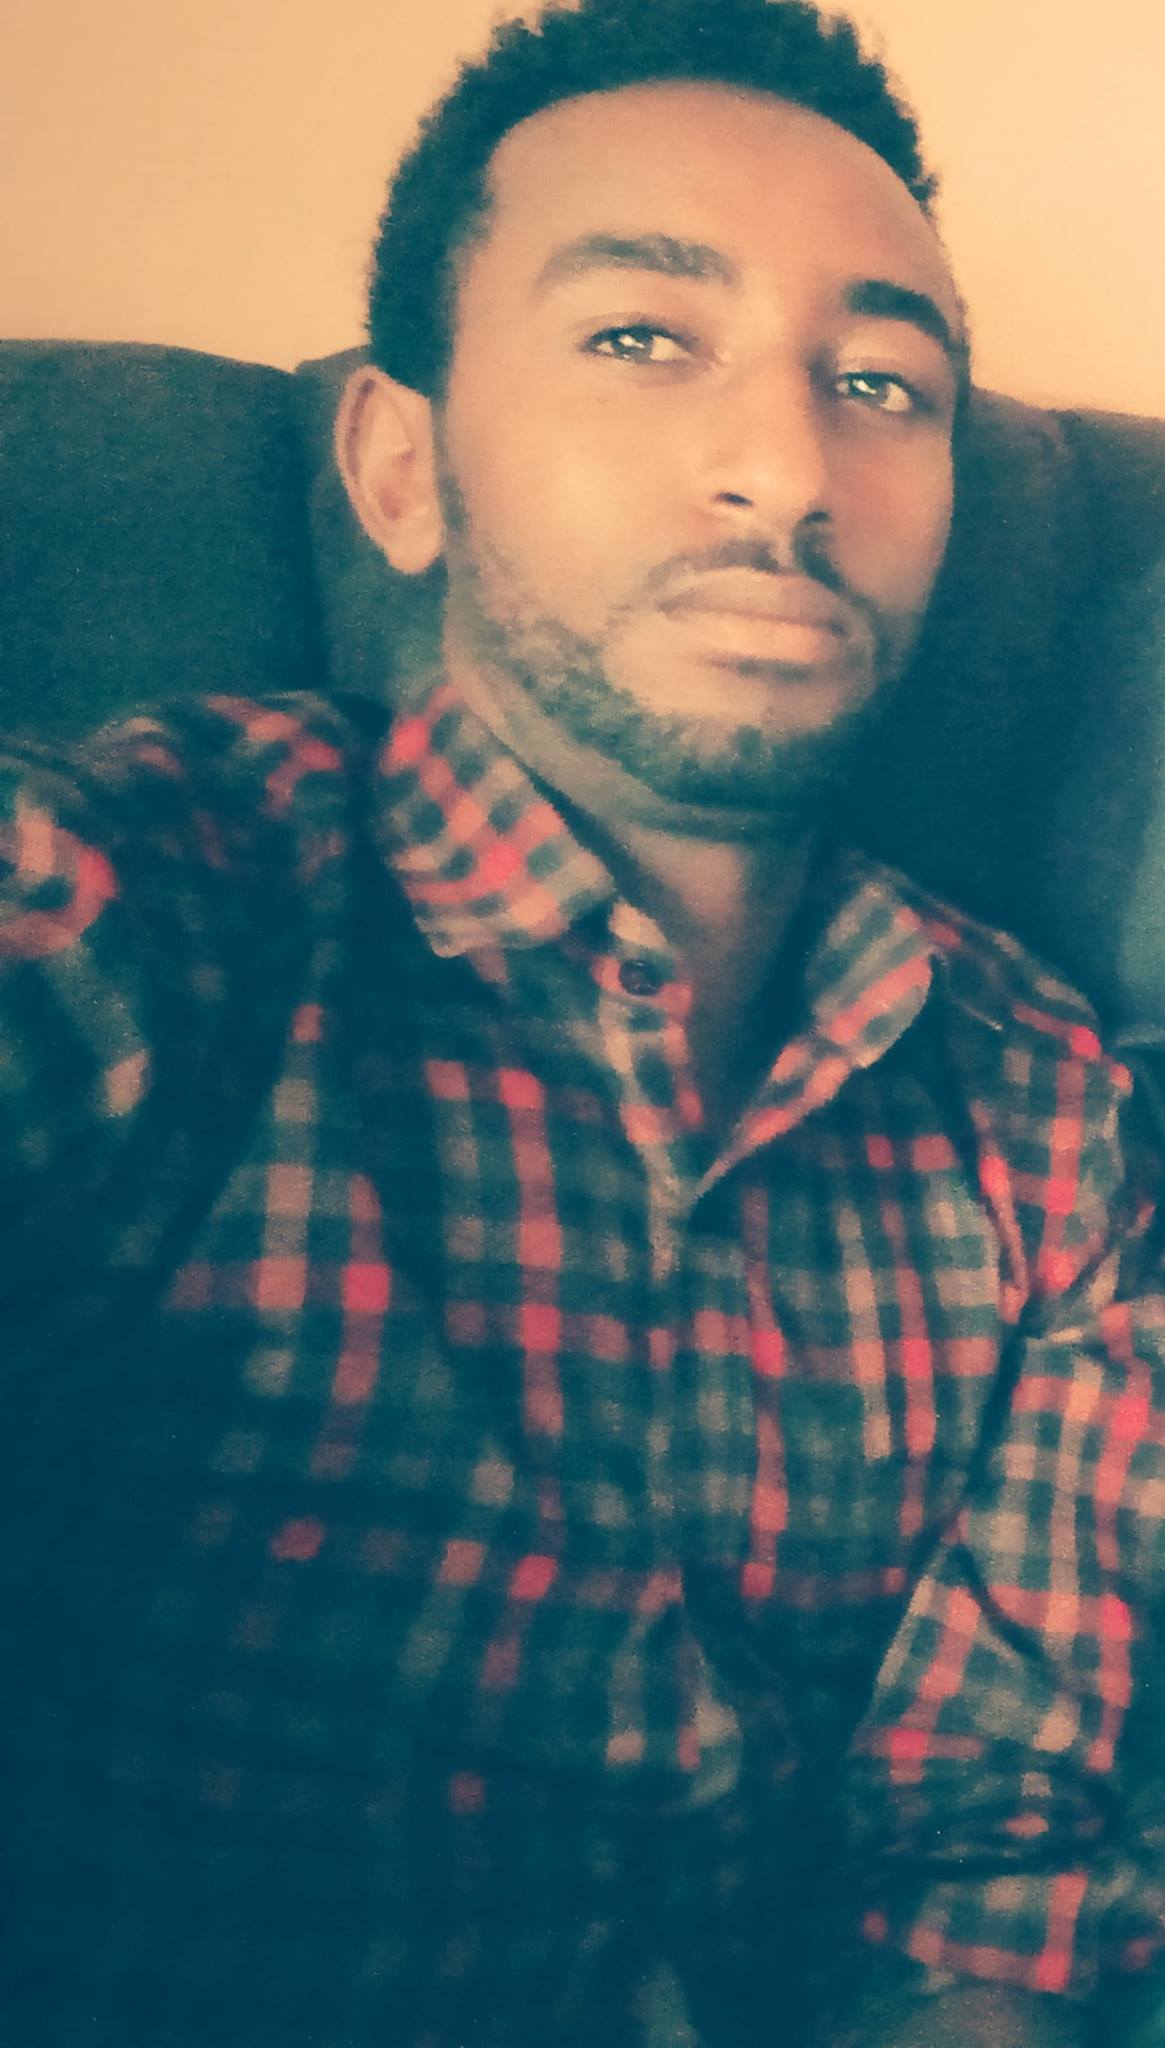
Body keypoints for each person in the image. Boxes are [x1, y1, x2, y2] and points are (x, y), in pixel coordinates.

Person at [4, 1, 1165, 2043]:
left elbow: (986, 1860)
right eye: (641, 335)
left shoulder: (1050, 1110)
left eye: (879, 382)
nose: (784, 471)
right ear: (400, 465)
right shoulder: (146, 901)